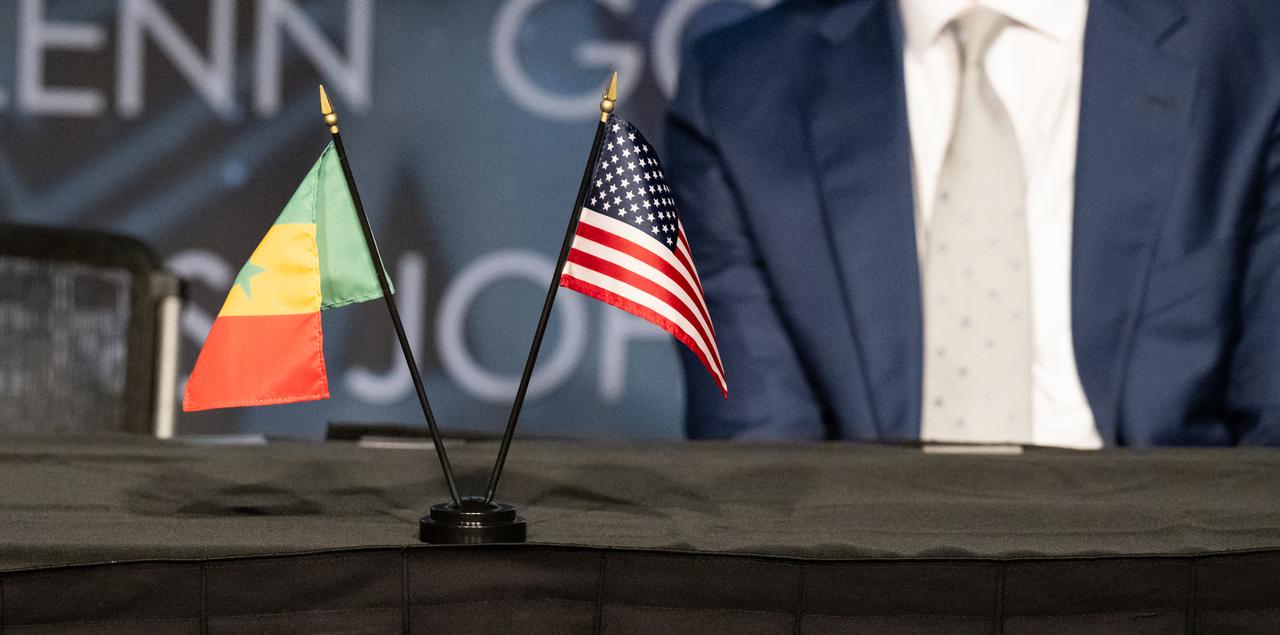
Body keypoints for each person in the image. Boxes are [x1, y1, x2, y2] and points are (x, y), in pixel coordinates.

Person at [665, 0, 1280, 446]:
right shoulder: (738, 92)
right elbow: (764, 472)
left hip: (1176, 580)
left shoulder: (1253, 56)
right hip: (873, 587)